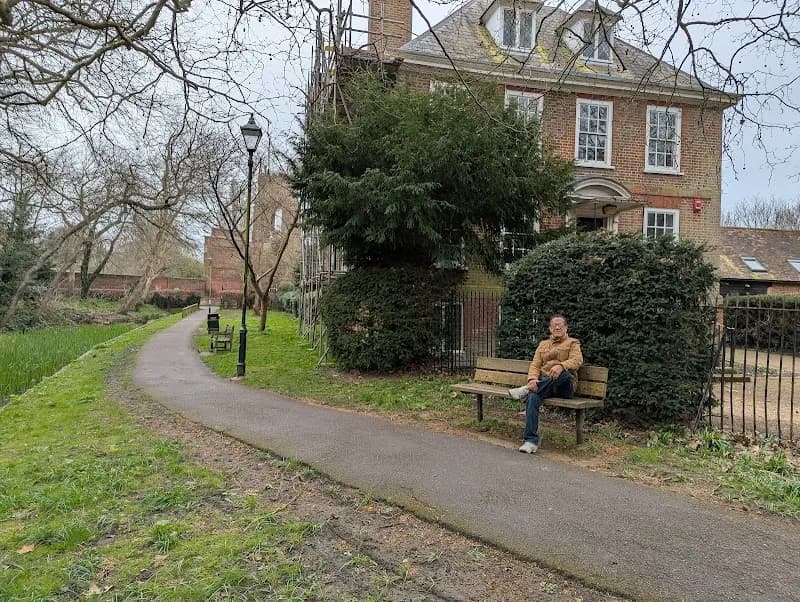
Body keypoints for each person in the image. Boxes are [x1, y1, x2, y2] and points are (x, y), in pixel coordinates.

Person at [515, 315, 583, 454]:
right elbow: (535, 365)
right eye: (554, 325)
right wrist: (532, 380)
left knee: (563, 374)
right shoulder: (543, 345)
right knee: (533, 396)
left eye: (560, 325)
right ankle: (531, 441)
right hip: (547, 385)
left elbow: (577, 360)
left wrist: (562, 365)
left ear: (566, 328)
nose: (557, 327)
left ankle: (528, 390)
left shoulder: (572, 343)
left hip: (565, 386)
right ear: (550, 328)